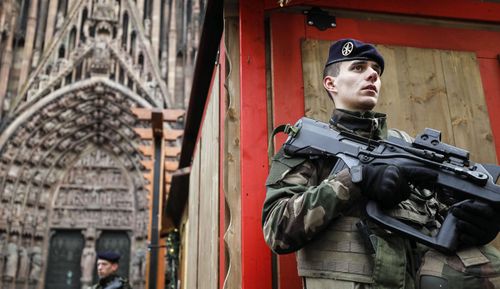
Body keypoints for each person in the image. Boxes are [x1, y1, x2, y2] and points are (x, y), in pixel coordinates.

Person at [262, 38, 500, 289]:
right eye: (358, 67)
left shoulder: (410, 149)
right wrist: (355, 180)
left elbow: (442, 222)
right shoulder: (312, 147)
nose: (372, 75)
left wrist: (474, 225)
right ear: (330, 83)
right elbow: (276, 229)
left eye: (376, 70)